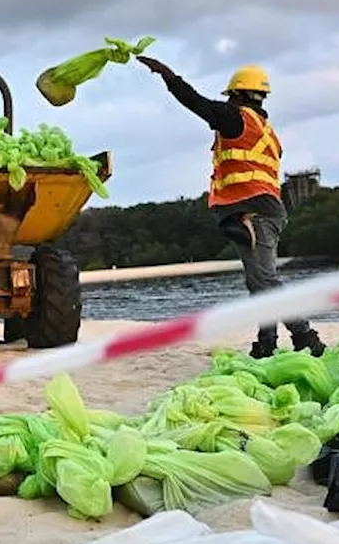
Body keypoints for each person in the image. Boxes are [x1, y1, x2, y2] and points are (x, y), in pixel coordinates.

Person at [136, 57, 325, 358]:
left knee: (264, 279)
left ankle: (305, 336)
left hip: (257, 209)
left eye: (232, 96)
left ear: (238, 94)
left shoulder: (237, 119)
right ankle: (266, 344)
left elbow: (197, 104)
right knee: (259, 281)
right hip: (261, 209)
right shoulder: (265, 128)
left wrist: (168, 76)